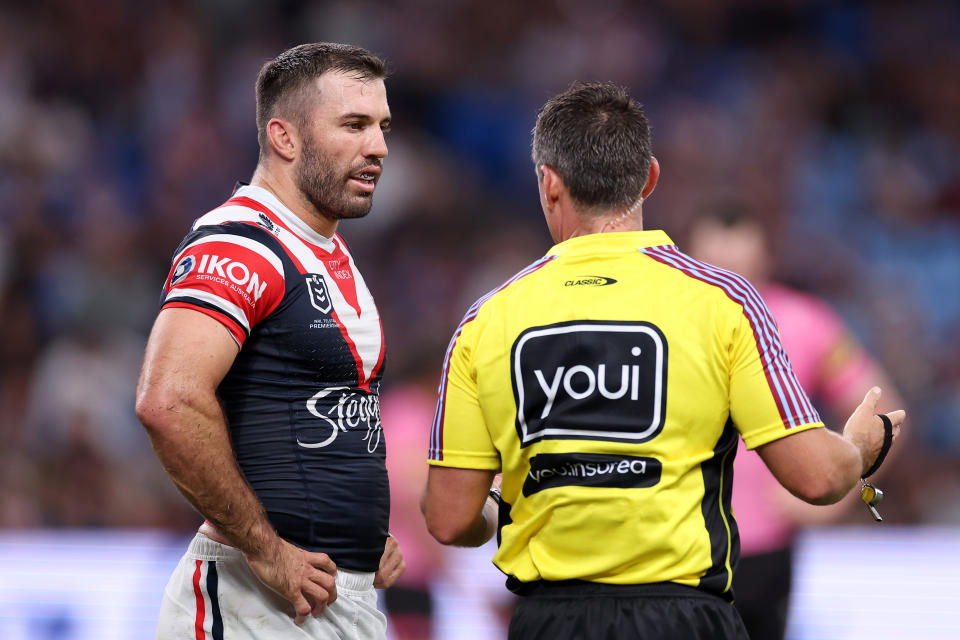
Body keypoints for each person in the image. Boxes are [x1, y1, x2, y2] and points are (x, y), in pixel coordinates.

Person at [419, 82, 905, 640]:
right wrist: (860, 450)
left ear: (547, 183)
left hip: (548, 620)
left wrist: (499, 512)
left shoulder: (485, 322)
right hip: (685, 617)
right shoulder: (725, 301)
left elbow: (449, 519)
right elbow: (819, 478)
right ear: (649, 176)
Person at [135, 42, 404, 640]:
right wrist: (265, 549)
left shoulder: (325, 248)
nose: (379, 147)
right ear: (285, 137)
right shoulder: (238, 242)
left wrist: (362, 536)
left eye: (383, 126)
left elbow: (312, 411)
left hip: (332, 595)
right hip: (256, 599)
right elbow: (168, 400)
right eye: (354, 125)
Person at [686, 204, 905, 640]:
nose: (729, 279)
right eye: (716, 267)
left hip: (764, 550)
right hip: (678, 546)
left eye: (740, 268)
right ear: (690, 261)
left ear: (765, 258)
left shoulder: (807, 323)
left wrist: (842, 496)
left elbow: (885, 413)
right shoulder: (668, 322)